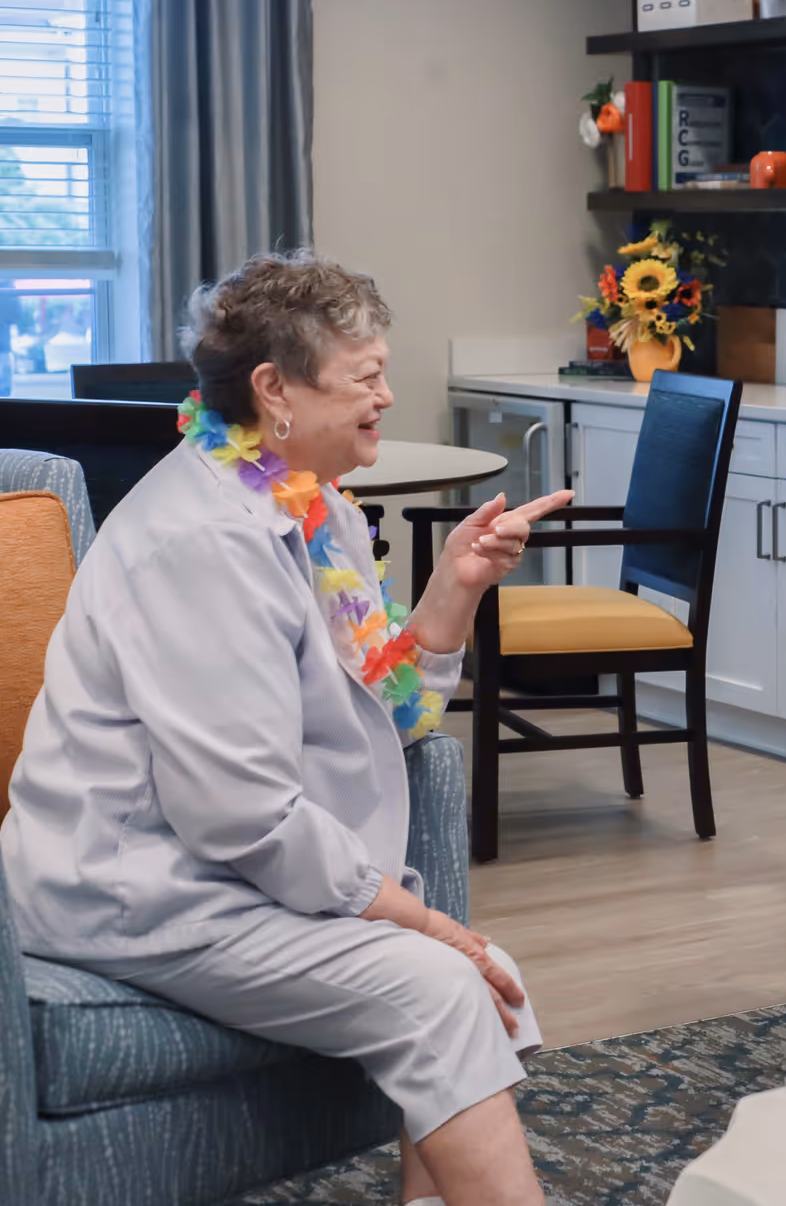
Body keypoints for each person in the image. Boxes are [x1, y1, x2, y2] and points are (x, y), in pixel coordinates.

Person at [0, 252, 573, 1206]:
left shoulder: (316, 511)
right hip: (141, 890)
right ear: (274, 389)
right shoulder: (199, 541)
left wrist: (455, 585)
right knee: (441, 983)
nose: (389, 395)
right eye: (366, 376)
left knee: (473, 974)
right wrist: (428, 924)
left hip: (229, 873)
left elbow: (398, 709)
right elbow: (244, 817)